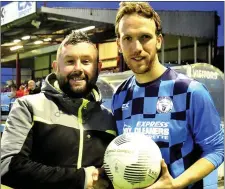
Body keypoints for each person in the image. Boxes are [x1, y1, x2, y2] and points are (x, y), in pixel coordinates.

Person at [112, 2, 224, 189]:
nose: (136, 47)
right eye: (128, 38)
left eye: (145, 37)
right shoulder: (120, 95)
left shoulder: (190, 91)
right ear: (118, 44)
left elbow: (217, 150)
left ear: (158, 40)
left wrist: (175, 184)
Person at [1, 31, 117, 189]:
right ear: (56, 67)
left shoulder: (109, 119)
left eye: (86, 61)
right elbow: (7, 167)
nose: (78, 68)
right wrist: (81, 178)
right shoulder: (28, 107)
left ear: (98, 67)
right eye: (70, 61)